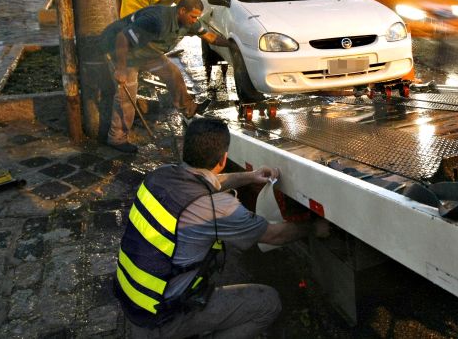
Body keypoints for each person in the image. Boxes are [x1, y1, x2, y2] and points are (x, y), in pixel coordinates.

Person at [114, 118, 329, 337]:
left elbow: (205, 182)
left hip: (135, 304)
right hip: (162, 320)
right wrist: (314, 227)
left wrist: (249, 177)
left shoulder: (159, 176)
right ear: (223, 158)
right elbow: (275, 235)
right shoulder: (218, 208)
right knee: (268, 302)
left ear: (185, 148)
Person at [100, 0, 231, 154]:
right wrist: (120, 69)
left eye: (197, 17)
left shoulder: (190, 22)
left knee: (173, 73)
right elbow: (122, 38)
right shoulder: (156, 21)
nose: (194, 20)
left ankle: (189, 109)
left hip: (148, 52)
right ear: (182, 11)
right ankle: (117, 138)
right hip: (123, 53)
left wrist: (233, 45)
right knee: (126, 96)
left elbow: (211, 37)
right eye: (193, 16)